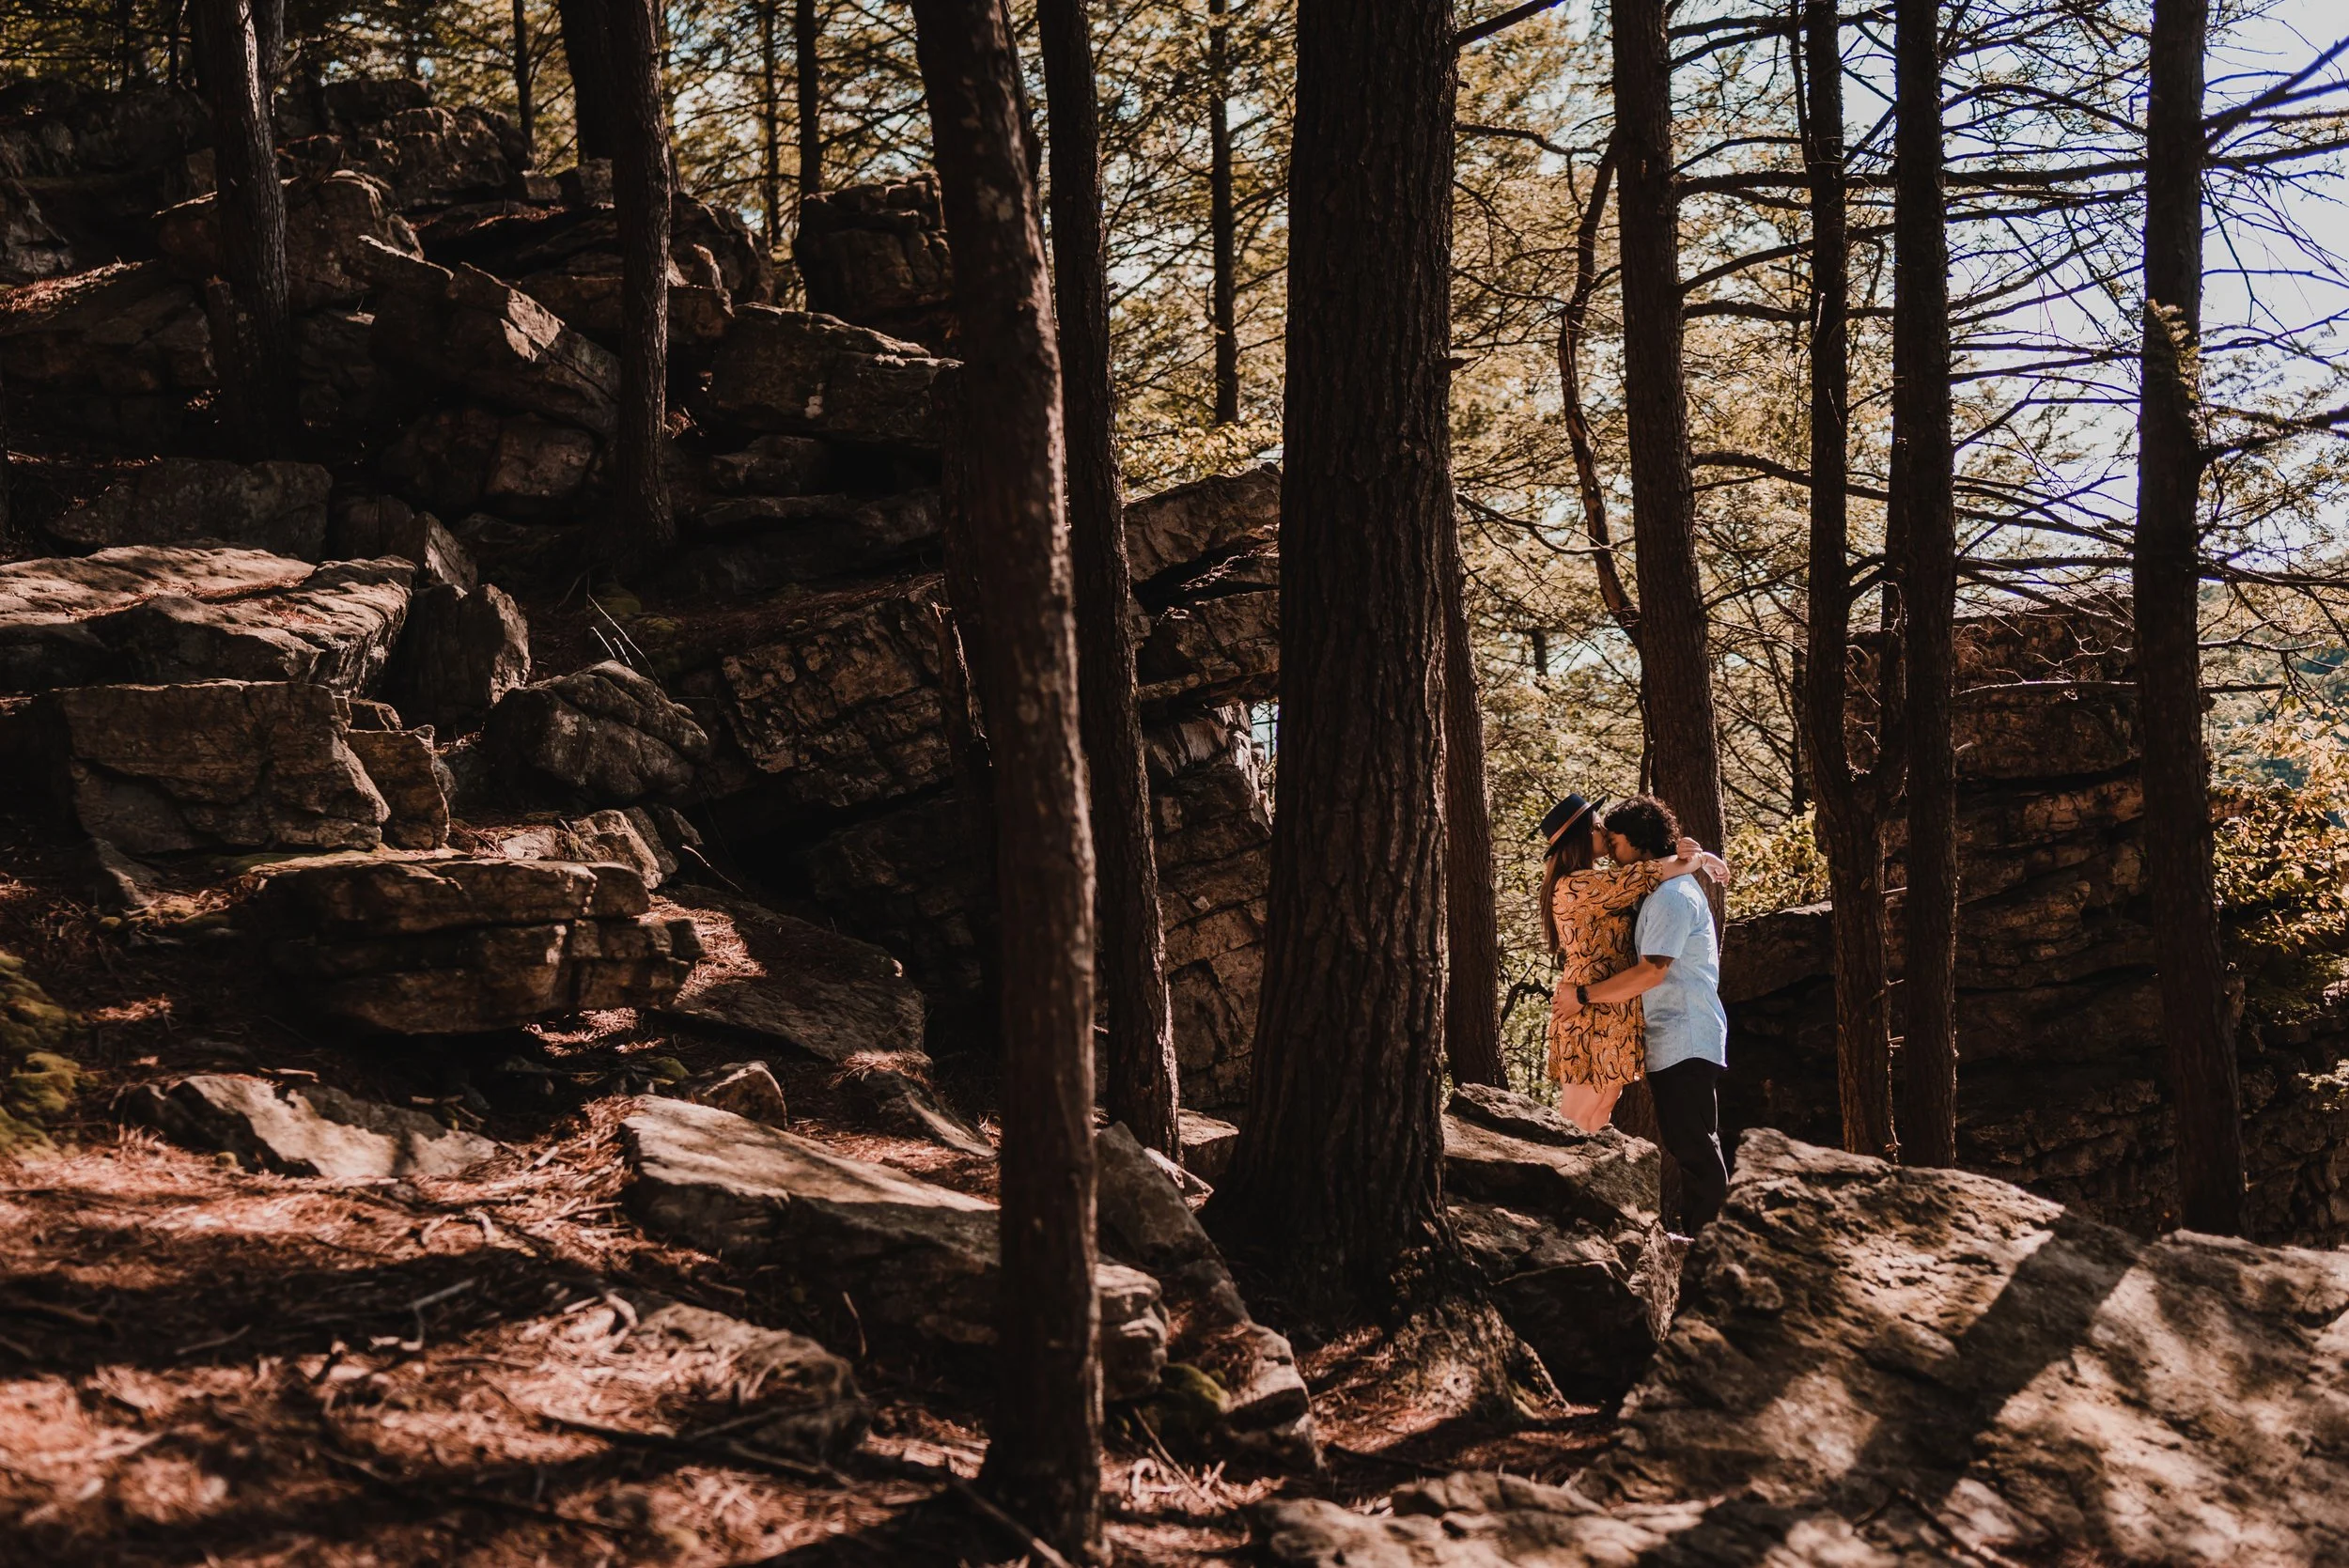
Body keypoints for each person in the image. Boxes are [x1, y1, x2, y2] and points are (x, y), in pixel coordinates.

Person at [1554, 794, 1733, 1229]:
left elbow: (1651, 971)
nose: (1610, 848)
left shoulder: (1669, 897)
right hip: (1655, 1033)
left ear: (1635, 840)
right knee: (1678, 1141)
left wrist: (1584, 996)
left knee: (1693, 1146)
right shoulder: (1616, 887)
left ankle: (1710, 1247)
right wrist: (1698, 857)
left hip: (1680, 1033)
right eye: (1601, 836)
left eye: (1613, 840)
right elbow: (1649, 873)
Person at [1537, 793, 1725, 1133]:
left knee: (1600, 1115)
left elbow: (1650, 873)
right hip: (1588, 1013)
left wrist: (1698, 856)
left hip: (1614, 1014)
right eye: (1597, 828)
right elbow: (1647, 874)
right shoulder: (1576, 887)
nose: (1606, 833)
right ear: (1581, 838)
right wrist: (1699, 860)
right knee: (1577, 1120)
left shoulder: (1600, 882)